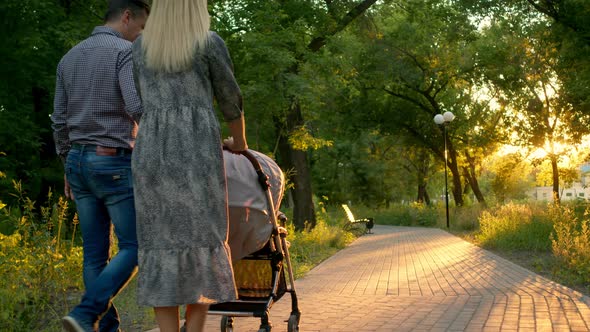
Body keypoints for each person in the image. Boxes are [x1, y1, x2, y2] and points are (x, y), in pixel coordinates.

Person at [130, 0, 248, 330]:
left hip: (152, 154)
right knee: (202, 240)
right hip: (196, 153)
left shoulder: (140, 47)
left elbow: (142, 99)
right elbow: (230, 99)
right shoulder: (208, 42)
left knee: (160, 244)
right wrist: (239, 143)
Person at [51, 1, 150, 331]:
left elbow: (60, 120)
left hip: (78, 161)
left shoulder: (69, 57)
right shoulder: (125, 51)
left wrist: (68, 163)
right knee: (136, 246)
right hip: (113, 162)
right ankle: (84, 313)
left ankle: (101, 327)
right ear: (127, 17)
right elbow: (136, 106)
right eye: (141, 27)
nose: (140, 36)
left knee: (94, 255)